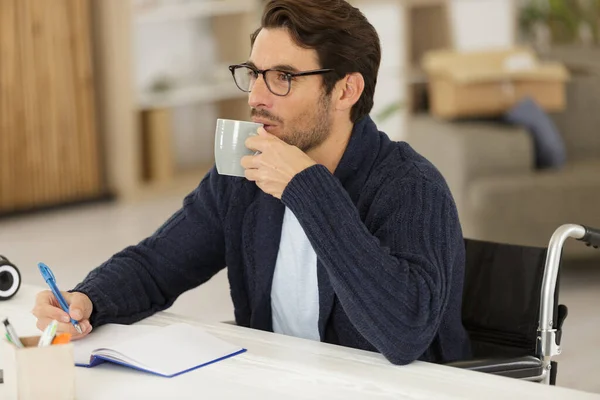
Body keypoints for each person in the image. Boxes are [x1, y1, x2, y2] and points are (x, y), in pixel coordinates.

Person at [32, 0, 471, 365]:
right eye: (254, 73)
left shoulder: (411, 186)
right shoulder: (246, 168)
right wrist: (86, 299)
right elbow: (157, 266)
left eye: (283, 77)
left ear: (345, 91)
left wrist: (306, 188)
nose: (256, 97)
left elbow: (404, 334)